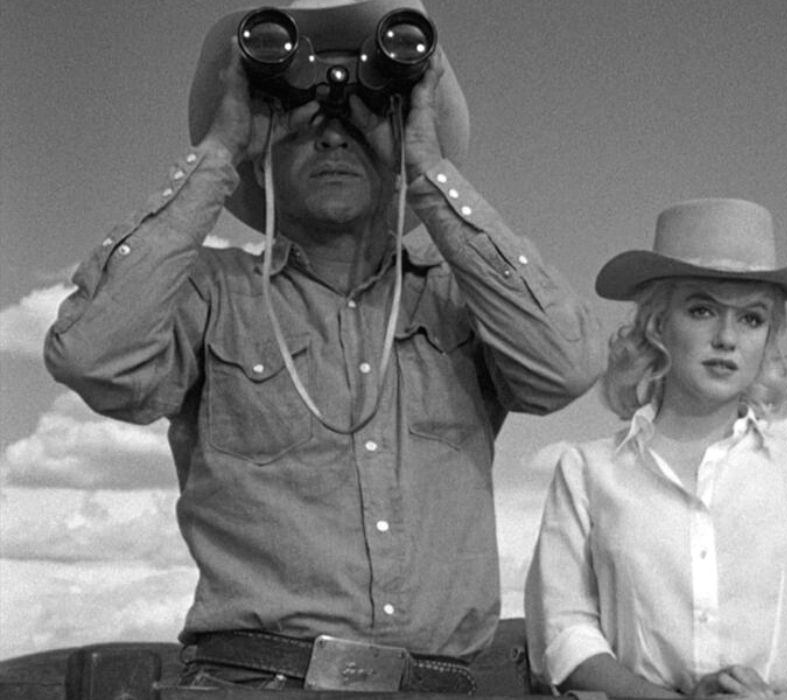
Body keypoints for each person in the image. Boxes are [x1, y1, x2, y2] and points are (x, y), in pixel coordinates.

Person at [44, 0, 604, 692]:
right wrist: (220, 150)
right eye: (302, 123)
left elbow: (566, 366)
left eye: (360, 123)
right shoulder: (211, 293)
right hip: (254, 680)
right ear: (261, 157)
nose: (334, 137)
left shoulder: (461, 297)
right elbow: (92, 355)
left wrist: (427, 167)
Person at [524, 198, 787, 697]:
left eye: (751, 319)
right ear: (658, 325)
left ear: (769, 338)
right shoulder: (587, 471)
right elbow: (566, 636)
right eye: (702, 310)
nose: (726, 338)